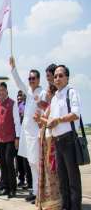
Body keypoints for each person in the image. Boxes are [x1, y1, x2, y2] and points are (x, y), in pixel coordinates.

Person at [35, 65, 82, 210]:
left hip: (68, 139)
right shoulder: (55, 98)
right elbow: (51, 122)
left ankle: (75, 207)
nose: (57, 78)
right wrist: (41, 120)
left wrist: (59, 120)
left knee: (72, 179)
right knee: (62, 179)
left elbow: (75, 114)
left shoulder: (71, 93)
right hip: (57, 142)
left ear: (67, 78)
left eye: (61, 75)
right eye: (55, 76)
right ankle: (65, 207)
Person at [10, 57, 46, 204]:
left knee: (37, 163)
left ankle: (41, 193)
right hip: (27, 134)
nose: (31, 80)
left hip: (36, 134)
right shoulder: (29, 91)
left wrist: (40, 103)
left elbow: (45, 109)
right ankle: (35, 191)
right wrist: (13, 68)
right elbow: (18, 82)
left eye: (33, 78)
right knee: (31, 163)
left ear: (38, 79)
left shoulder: (42, 92)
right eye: (29, 78)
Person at [36, 63, 61, 210]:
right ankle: (47, 200)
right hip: (46, 132)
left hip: (55, 134)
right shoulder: (48, 92)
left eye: (50, 76)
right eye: (49, 77)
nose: (50, 79)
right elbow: (44, 112)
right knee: (47, 167)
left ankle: (57, 200)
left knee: (54, 167)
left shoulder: (59, 93)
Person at [16, 91, 32, 190]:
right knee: (22, 161)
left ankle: (30, 181)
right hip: (22, 135)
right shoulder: (20, 106)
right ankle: (26, 180)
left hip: (30, 135)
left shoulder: (31, 104)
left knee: (30, 161)